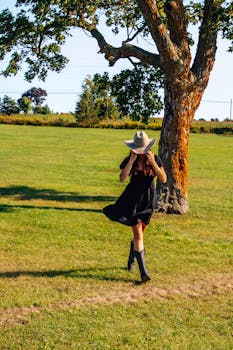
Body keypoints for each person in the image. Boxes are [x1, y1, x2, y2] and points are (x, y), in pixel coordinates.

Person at [103, 131, 167, 283]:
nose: (141, 153)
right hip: (132, 199)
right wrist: (131, 161)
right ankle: (144, 273)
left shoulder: (154, 158)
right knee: (138, 232)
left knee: (140, 233)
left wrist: (152, 162)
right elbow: (122, 178)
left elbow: (163, 179)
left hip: (148, 199)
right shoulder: (130, 159)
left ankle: (131, 260)